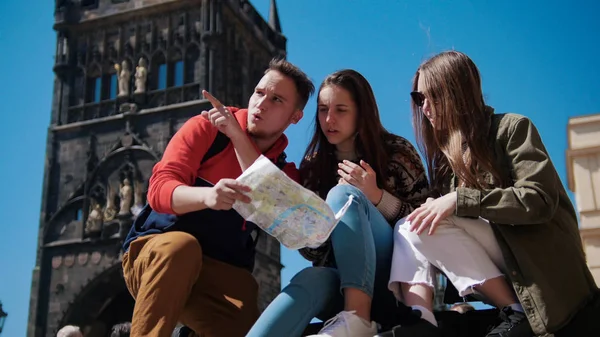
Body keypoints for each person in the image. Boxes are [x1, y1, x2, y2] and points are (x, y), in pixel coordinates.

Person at [387, 50, 598, 337]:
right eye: (419, 98)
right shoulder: (445, 165)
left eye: (433, 96)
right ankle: (422, 318)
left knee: (422, 220)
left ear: (458, 92)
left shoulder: (511, 128)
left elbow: (539, 199)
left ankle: (515, 310)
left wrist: (459, 200)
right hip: (505, 272)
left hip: (544, 275)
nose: (425, 107)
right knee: (409, 225)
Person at [121, 58, 315, 337]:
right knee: (181, 248)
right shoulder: (205, 127)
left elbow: (297, 226)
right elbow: (159, 191)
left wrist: (238, 137)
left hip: (216, 275)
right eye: (259, 93)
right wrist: (208, 196)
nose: (262, 104)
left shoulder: (284, 174)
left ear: (295, 117)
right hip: (154, 256)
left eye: (277, 100)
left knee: (245, 293)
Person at [246, 69, 430, 337]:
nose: (329, 120)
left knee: (344, 196)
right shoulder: (313, 166)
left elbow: (425, 222)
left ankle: (358, 318)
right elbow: (314, 255)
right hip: (340, 283)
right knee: (309, 278)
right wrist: (299, 225)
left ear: (361, 112)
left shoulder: (397, 152)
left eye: (341, 110)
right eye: (322, 110)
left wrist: (376, 197)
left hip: (396, 279)